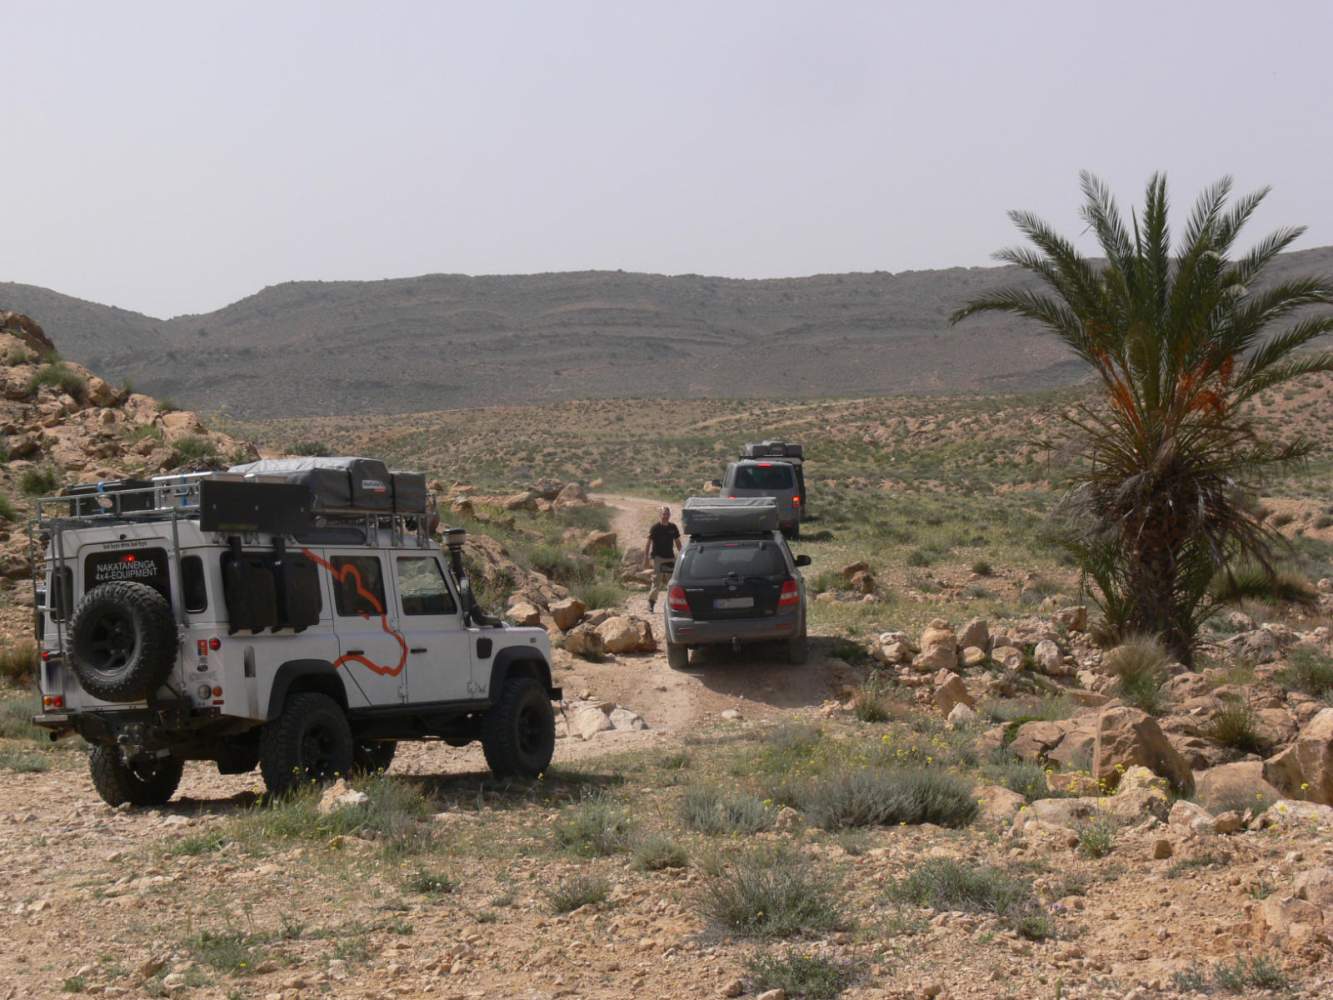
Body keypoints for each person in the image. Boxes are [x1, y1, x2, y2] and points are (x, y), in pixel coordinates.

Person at [644, 505, 682, 612]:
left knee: (672, 583)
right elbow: (648, 544)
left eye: (667, 514)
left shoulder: (673, 527)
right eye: (664, 514)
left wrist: (682, 555)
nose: (665, 516)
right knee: (657, 582)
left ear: (670, 515)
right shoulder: (655, 528)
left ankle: (672, 605)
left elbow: (678, 543)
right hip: (658, 559)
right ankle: (651, 604)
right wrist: (646, 558)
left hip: (670, 558)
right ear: (660, 515)